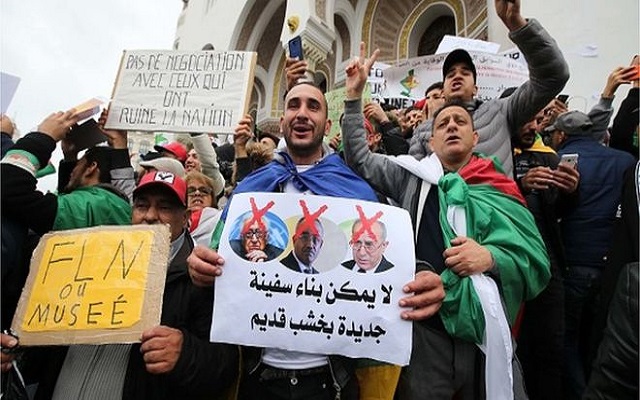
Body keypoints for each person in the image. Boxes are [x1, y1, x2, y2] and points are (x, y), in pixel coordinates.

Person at [188, 81, 445, 400]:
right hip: (258, 376)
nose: (302, 113)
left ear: (326, 123)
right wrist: (200, 266)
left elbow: (387, 254)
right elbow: (217, 254)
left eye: (313, 106)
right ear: (282, 121)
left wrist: (421, 274)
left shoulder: (357, 191)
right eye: (294, 105)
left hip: (331, 380)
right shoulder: (252, 189)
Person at [342, 42, 550, 399]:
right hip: (427, 334)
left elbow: (534, 261)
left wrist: (491, 258)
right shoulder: (410, 176)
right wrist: (353, 98)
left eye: (460, 122)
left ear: (475, 138)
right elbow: (359, 157)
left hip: (486, 332)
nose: (451, 126)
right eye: (442, 123)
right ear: (430, 139)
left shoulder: (499, 188)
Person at [19, 170, 238, 399]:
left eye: (164, 207)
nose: (151, 216)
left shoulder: (200, 279)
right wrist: (18, 348)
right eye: (142, 206)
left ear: (184, 218)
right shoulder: (92, 262)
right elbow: (50, 338)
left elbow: (226, 364)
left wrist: (186, 354)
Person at [409, 0, 570, 178]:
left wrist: (517, 24)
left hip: (496, 205)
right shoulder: (423, 131)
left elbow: (553, 76)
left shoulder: (501, 111)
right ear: (443, 91)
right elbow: (413, 182)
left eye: (465, 72)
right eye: (450, 74)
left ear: (476, 88)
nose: (457, 76)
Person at [546, 109, 636, 399]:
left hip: (572, 265)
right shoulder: (625, 162)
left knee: (568, 341)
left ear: (561, 135)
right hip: (610, 270)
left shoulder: (555, 163)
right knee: (599, 340)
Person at [513, 109, 580, 400]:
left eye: (537, 120)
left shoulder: (549, 157)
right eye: (525, 119)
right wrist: (518, 186)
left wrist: (571, 191)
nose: (533, 126)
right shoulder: (497, 157)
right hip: (509, 267)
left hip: (547, 266)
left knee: (549, 349)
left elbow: (561, 212)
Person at [185, 170, 221, 247]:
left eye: (204, 191)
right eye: (190, 190)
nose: (197, 193)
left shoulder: (222, 220)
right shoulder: (172, 223)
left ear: (212, 199)